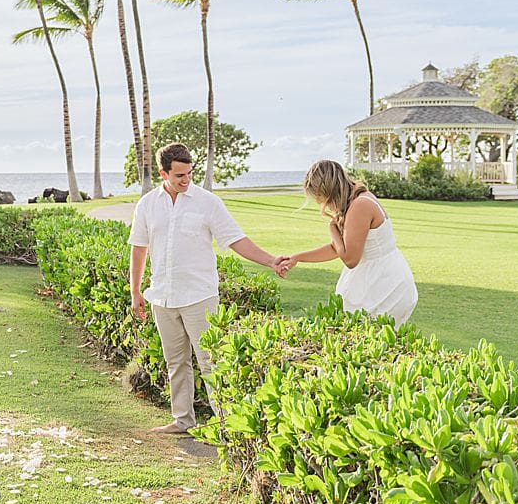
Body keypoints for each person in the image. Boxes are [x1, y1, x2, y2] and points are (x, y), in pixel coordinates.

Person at [128, 143, 284, 434]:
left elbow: (235, 239)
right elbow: (139, 248)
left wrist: (271, 260)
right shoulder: (147, 204)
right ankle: (182, 420)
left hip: (199, 296)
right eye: (179, 175)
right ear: (163, 173)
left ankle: (226, 427)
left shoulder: (207, 202)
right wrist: (135, 291)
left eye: (189, 173)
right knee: (176, 362)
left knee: (211, 361)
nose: (186, 180)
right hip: (162, 296)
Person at [277, 159, 417, 325]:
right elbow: (336, 248)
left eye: (321, 198)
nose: (322, 204)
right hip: (374, 277)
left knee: (367, 334)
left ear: (328, 190)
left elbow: (350, 259)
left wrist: (332, 229)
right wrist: (297, 258)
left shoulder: (360, 205)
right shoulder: (356, 201)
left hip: (384, 283)